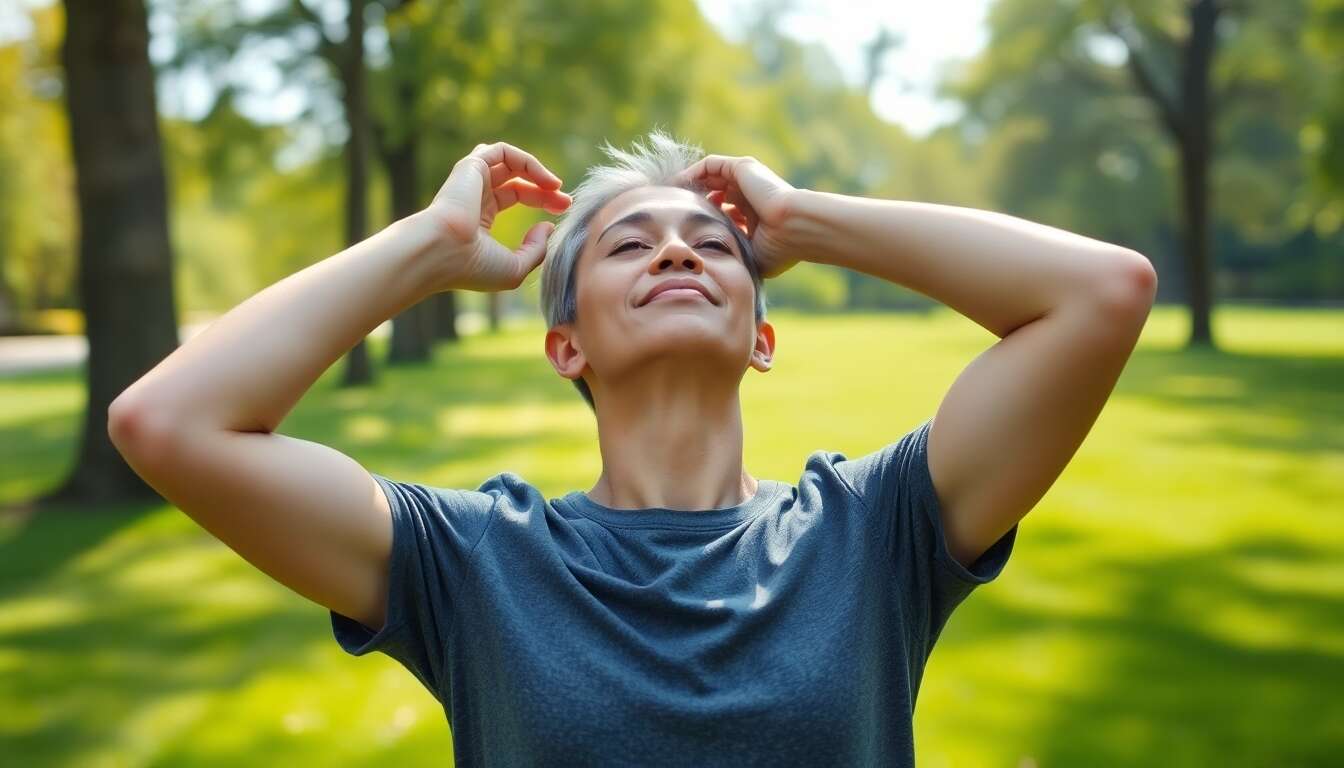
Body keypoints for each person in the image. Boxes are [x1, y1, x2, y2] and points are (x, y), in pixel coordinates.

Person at [108, 130, 1157, 766]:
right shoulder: (475, 564)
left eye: (713, 244)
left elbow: (1102, 295)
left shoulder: (875, 530)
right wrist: (427, 250)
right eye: (627, 243)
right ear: (566, 347)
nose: (674, 247)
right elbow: (167, 423)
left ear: (761, 337)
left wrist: (803, 218)